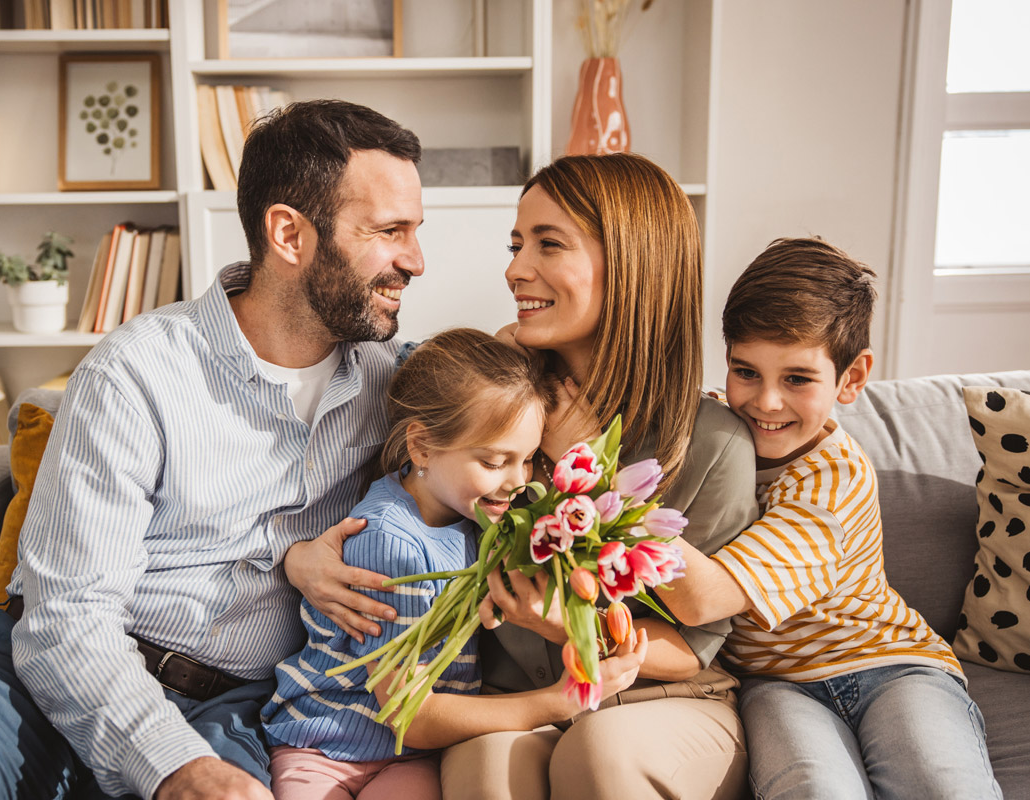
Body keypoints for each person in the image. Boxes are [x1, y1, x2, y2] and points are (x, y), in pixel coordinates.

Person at [0, 99, 427, 800]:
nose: (416, 261)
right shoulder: (136, 370)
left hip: (230, 709)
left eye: (415, 232)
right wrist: (173, 764)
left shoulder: (393, 382)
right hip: (38, 673)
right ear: (288, 234)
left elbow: (501, 400)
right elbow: (70, 611)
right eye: (389, 232)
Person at [286, 153, 760, 800]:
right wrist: (300, 557)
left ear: (634, 265)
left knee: (601, 751)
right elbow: (394, 495)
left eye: (549, 244)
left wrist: (581, 470)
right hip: (510, 700)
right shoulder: (493, 402)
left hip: (662, 701)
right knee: (485, 770)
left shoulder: (713, 442)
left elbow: (688, 650)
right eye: (516, 246)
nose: (514, 269)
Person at [661, 237, 1003, 799]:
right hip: (775, 684)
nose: (767, 402)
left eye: (797, 378)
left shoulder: (834, 478)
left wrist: (612, 502)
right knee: (814, 789)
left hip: (891, 663)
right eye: (746, 372)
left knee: (940, 783)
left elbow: (704, 599)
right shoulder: (710, 430)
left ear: (852, 376)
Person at [263, 327, 646, 799]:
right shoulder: (391, 541)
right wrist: (558, 700)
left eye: (527, 459)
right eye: (494, 462)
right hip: (325, 745)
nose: (517, 482)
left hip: (410, 756)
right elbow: (408, 713)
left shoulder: (476, 521)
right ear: (422, 447)